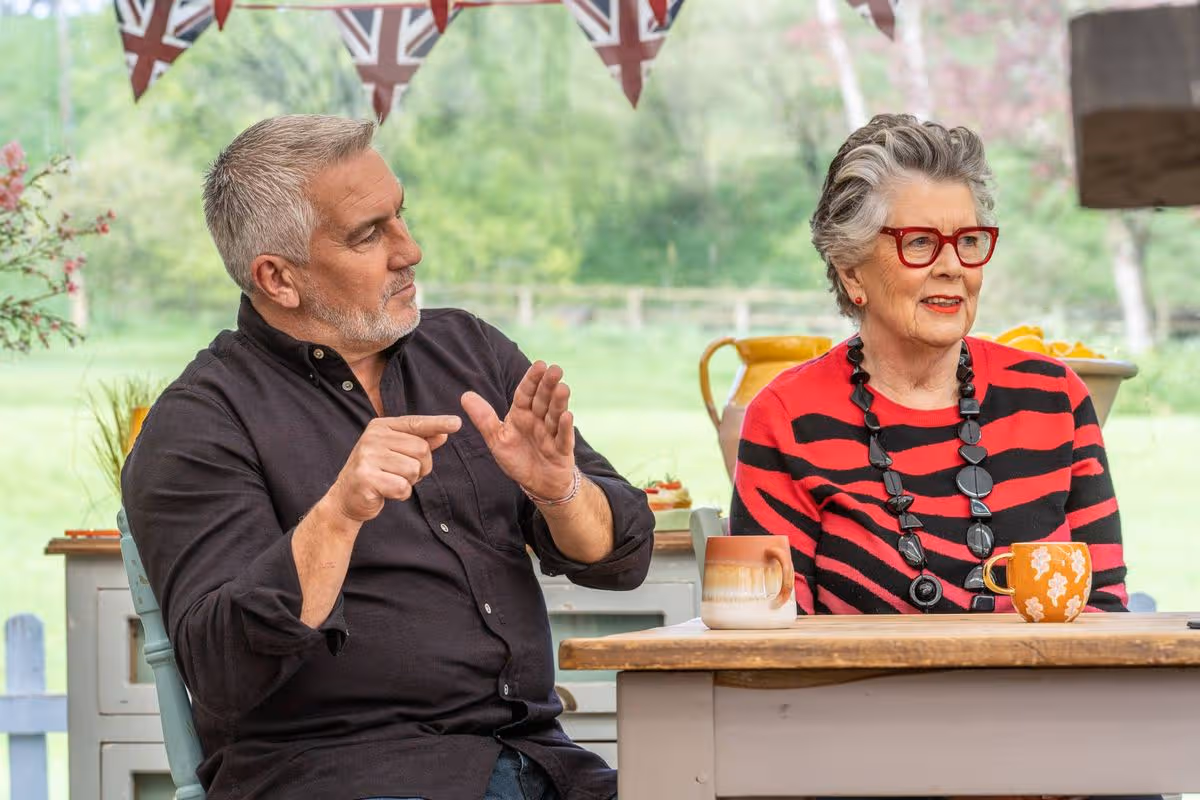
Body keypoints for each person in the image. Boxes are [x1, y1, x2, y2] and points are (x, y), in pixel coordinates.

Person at [121, 114, 654, 800]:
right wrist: (338, 516)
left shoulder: (469, 351)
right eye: (369, 234)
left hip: (542, 765)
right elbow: (222, 668)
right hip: (337, 777)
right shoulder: (200, 423)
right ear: (278, 278)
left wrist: (560, 490)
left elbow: (624, 556)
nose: (411, 250)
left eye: (401, 216)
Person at [730, 113, 1129, 616]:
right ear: (851, 270)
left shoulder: (1055, 399)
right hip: (856, 696)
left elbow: (1103, 608)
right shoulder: (787, 416)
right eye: (919, 243)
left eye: (968, 241)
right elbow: (769, 642)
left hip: (1041, 692)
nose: (953, 266)